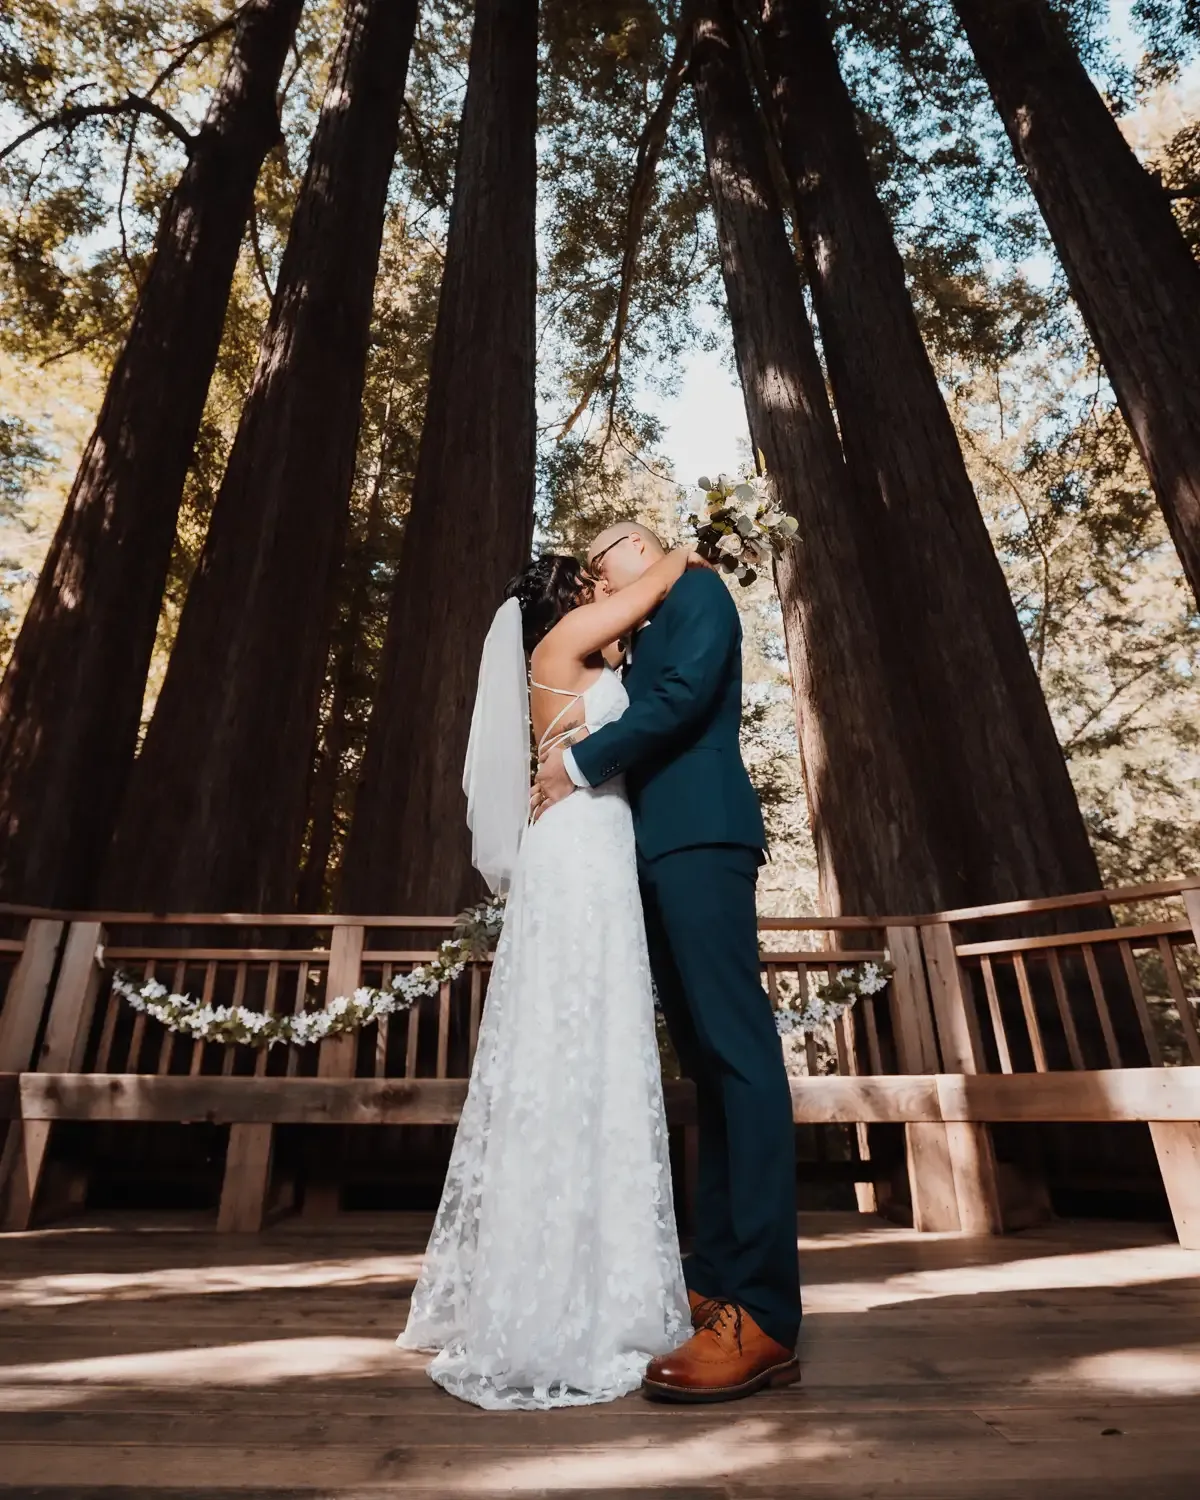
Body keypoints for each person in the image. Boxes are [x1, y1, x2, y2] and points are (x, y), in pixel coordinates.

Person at [398, 541, 705, 1410]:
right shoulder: (560, 641)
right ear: (570, 596)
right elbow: (657, 583)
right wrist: (699, 540)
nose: (608, 587)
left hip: (598, 847)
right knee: (570, 1046)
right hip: (575, 853)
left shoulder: (578, 651)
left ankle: (600, 1274)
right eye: (592, 578)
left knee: (598, 1042)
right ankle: (553, 1297)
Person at [534, 522, 802, 1403]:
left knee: (741, 1058)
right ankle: (716, 1279)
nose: (596, 566)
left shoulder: (695, 594)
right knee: (708, 1070)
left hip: (701, 835)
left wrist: (575, 763)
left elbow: (684, 697)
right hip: (646, 855)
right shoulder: (636, 632)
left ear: (642, 549)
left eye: (607, 548)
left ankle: (762, 1313)